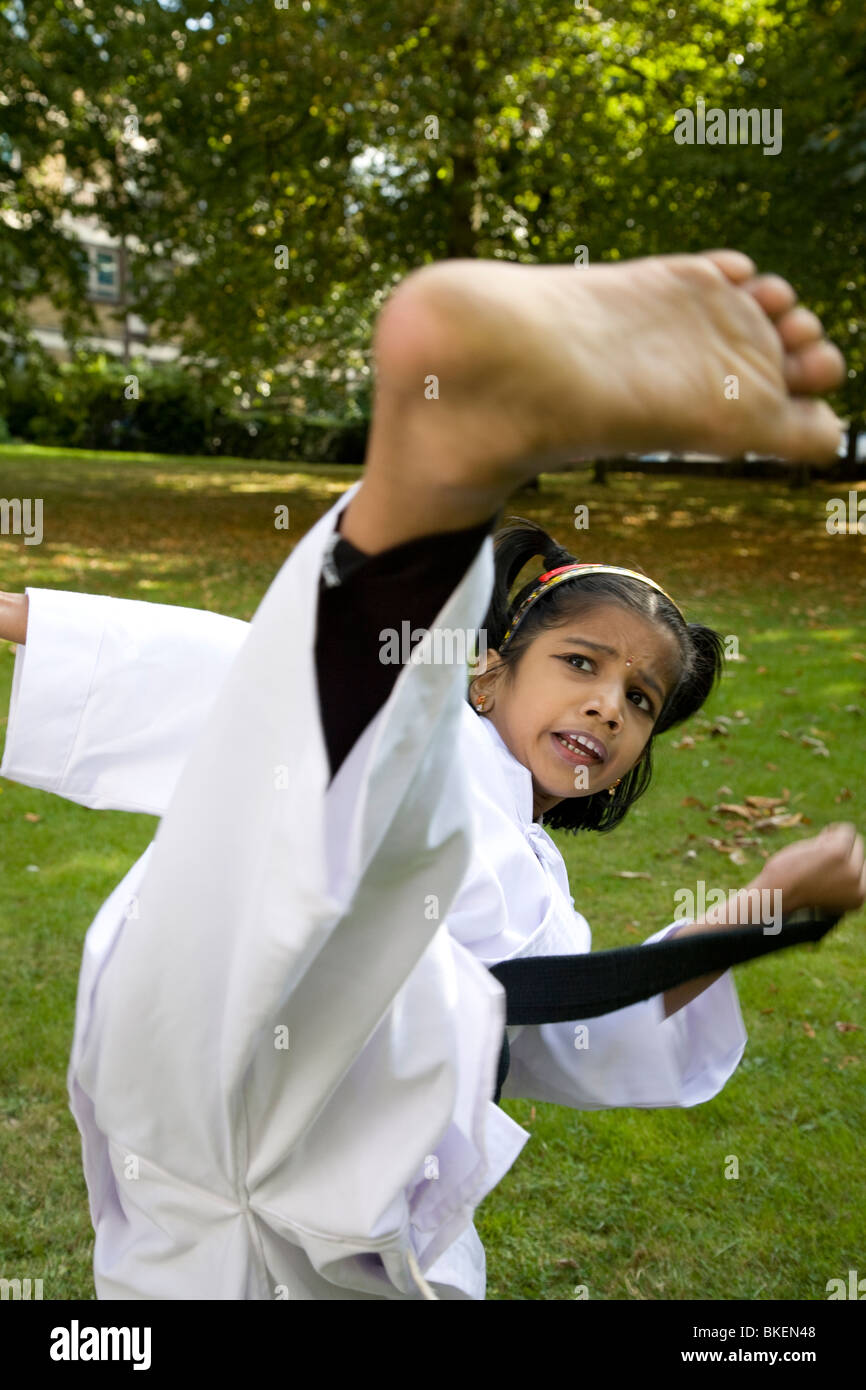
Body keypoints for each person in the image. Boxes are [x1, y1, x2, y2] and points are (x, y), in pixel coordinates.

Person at [1, 249, 863, 1300]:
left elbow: (574, 1023)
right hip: (238, 1004)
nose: (606, 703)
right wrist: (30, 620)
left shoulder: (534, 890)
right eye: (580, 664)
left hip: (302, 1180)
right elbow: (241, 684)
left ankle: (430, 498)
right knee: (346, 758)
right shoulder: (440, 762)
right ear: (491, 673)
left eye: (639, 700)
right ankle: (431, 493)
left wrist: (750, 918)